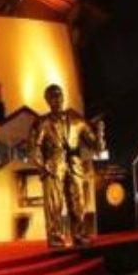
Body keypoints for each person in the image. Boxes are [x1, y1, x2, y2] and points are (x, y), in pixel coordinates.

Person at [29, 84, 105, 248]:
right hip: (53, 167)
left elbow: (94, 145)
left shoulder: (77, 119)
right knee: (54, 205)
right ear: (47, 100)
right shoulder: (41, 123)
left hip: (74, 165)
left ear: (63, 97)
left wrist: (100, 134)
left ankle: (79, 234)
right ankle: (55, 237)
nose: (57, 99)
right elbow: (34, 149)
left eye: (59, 95)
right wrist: (43, 167)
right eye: (53, 96)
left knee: (78, 202)